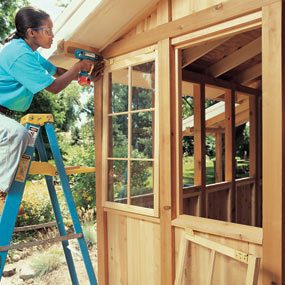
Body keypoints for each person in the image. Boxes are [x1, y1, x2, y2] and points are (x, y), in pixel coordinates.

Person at [0, 6, 94, 214]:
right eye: (48, 31)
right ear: (31, 32)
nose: (52, 35)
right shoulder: (18, 54)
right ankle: (1, 196)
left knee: (17, 142)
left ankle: (5, 195)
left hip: (3, 113)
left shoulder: (29, 53)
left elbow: (56, 72)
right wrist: (77, 68)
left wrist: (83, 73)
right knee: (17, 134)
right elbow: (54, 87)